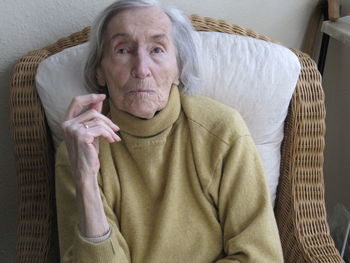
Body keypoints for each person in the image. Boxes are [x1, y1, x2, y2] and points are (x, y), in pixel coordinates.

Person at [55, 0, 284, 262]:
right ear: (100, 71)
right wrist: (86, 180)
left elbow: (260, 255)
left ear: (178, 68)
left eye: (157, 49)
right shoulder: (78, 148)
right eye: (122, 50)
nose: (141, 69)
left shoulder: (222, 130)